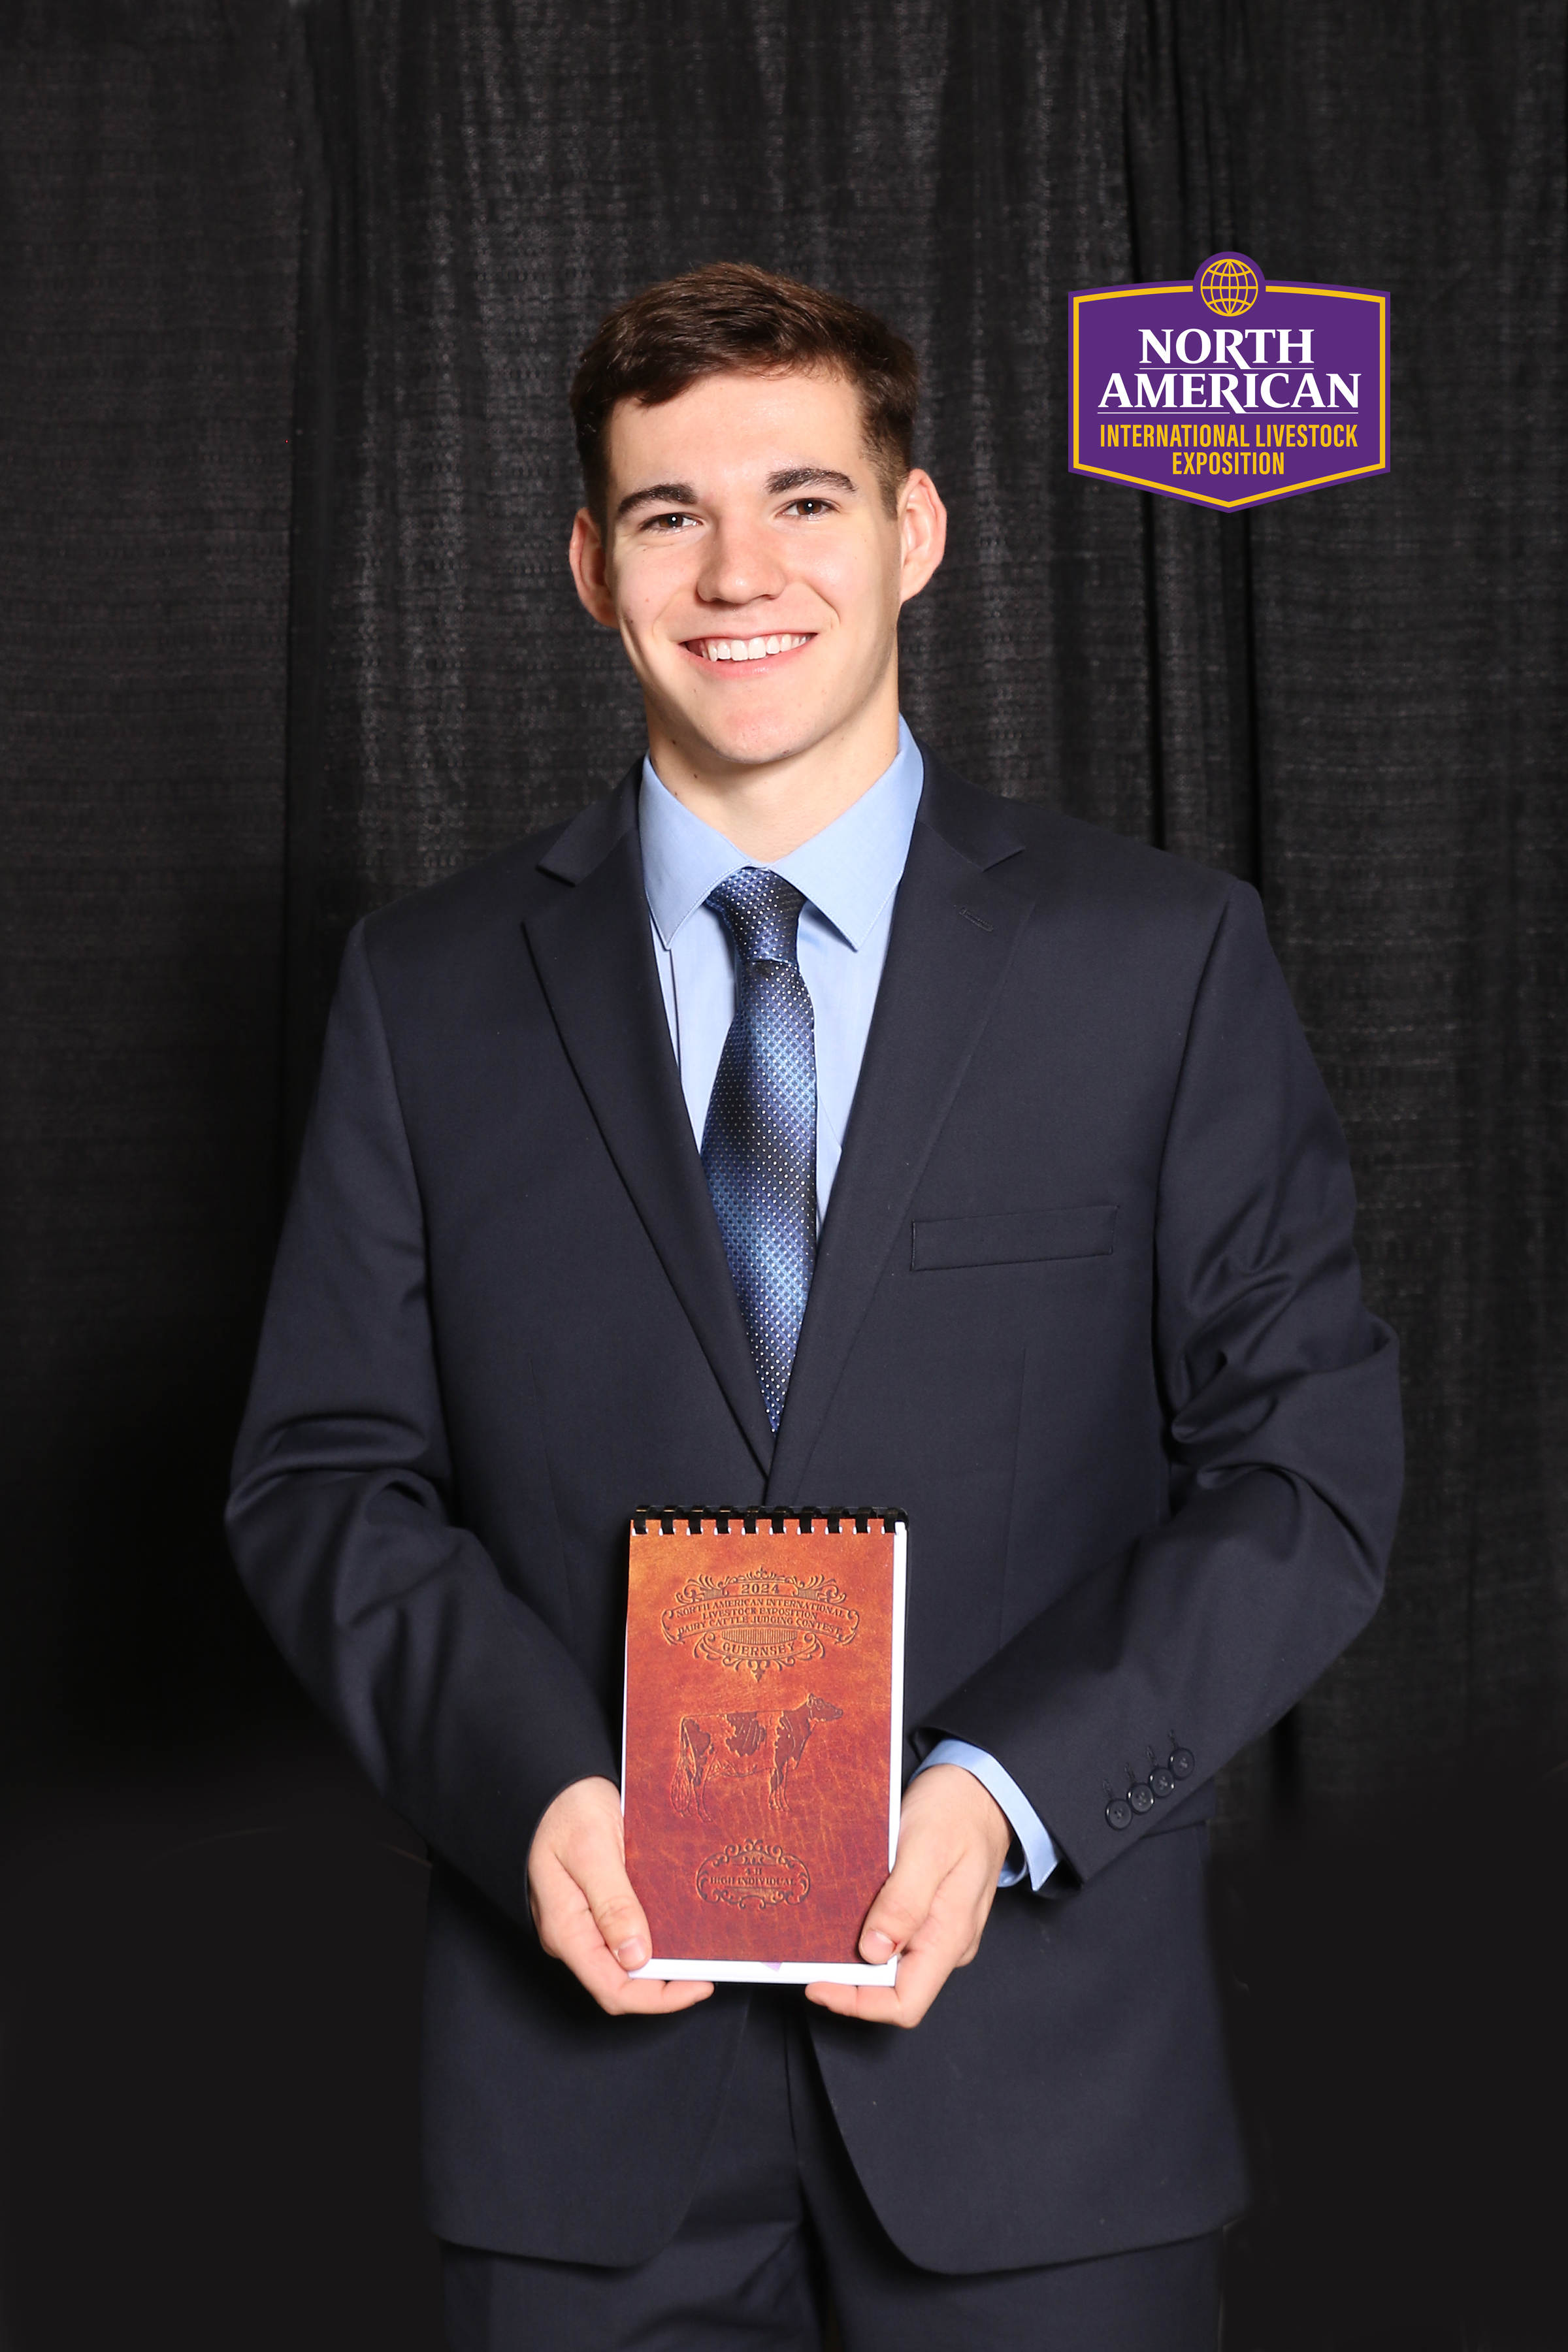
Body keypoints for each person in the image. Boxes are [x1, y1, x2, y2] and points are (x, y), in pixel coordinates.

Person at [227, 263, 1403, 2350]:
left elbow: (1311, 1471)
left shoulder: (1163, 965)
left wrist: (1002, 1798)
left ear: (916, 530)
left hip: (1046, 2111)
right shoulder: (424, 997)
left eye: (806, 500)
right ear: (593, 567)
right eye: (672, 515)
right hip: (577, 2119)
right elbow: (323, 1479)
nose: (739, 572)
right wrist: (527, 1791)